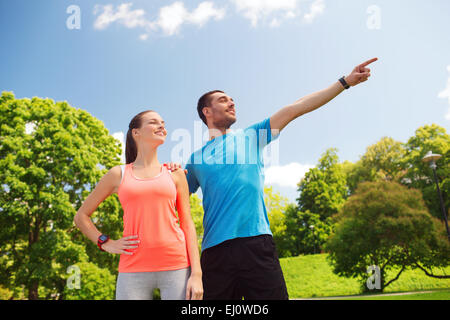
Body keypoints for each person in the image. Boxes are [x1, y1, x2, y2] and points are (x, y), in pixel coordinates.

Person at [185, 58, 378, 300]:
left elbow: (295, 108)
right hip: (215, 252)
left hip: (256, 243)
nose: (232, 102)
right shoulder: (195, 159)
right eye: (223, 100)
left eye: (232, 99)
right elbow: (172, 197)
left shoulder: (251, 136)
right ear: (207, 111)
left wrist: (344, 82)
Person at [74, 110, 203, 300]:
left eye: (163, 123)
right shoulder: (118, 174)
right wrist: (105, 243)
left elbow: (187, 224)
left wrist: (197, 274)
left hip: (177, 265)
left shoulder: (175, 174)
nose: (162, 127)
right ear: (136, 133)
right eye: (153, 122)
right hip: (132, 268)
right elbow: (81, 217)